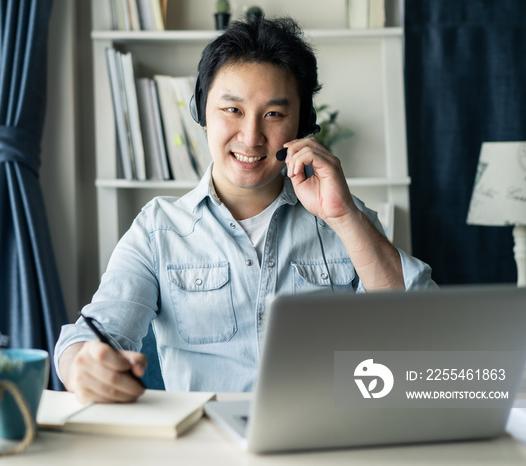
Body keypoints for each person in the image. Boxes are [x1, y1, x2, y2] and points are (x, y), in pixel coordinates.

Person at [55, 17, 437, 403]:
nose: (251, 136)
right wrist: (81, 363)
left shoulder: (347, 218)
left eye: (274, 114)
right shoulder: (158, 228)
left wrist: (343, 217)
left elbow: (424, 329)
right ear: (202, 113)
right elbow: (91, 334)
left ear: (303, 126)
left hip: (321, 446)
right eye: (232, 110)